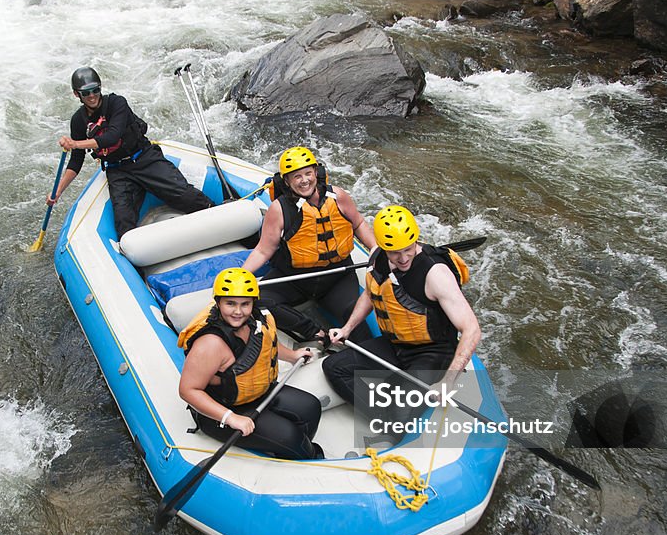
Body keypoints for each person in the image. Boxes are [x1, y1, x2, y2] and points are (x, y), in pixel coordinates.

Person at [322, 205, 481, 404]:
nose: (404, 258)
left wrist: (448, 381)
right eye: (395, 253)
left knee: (399, 412)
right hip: (395, 344)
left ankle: (393, 411)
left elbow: (472, 329)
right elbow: (373, 293)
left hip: (432, 352)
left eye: (408, 250)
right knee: (333, 367)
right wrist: (347, 329)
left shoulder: (436, 275)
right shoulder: (378, 257)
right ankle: (381, 411)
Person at [46, 66, 214, 239]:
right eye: (86, 92)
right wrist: (58, 191)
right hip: (117, 171)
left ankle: (214, 211)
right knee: (124, 225)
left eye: (95, 90)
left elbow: (112, 136)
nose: (92, 95)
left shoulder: (117, 103)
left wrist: (75, 143)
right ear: (76, 94)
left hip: (143, 158)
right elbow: (76, 160)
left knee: (184, 195)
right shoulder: (78, 120)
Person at [178, 268, 324, 460]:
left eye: (245, 304)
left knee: (311, 407)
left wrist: (293, 355)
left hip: (257, 392)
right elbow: (188, 390)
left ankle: (294, 451)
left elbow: (267, 344)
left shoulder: (258, 318)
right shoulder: (210, 344)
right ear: (218, 302)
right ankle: (305, 455)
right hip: (222, 408)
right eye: (230, 303)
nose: (238, 312)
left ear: (253, 303)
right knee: (290, 436)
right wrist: (230, 418)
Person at [241, 146, 376, 344]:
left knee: (352, 312)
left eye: (308, 173)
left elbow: (359, 224)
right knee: (258, 301)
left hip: (337, 276)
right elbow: (263, 250)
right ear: (286, 181)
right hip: (296, 278)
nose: (304, 180)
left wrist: (374, 248)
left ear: (317, 173)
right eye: (297, 176)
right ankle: (315, 332)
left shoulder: (338, 197)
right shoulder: (279, 209)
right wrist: (242, 275)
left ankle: (370, 360)